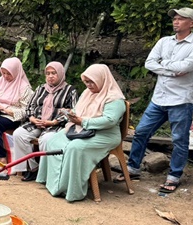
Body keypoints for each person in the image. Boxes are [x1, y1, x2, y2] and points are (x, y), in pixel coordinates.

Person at [120, 8, 193, 193]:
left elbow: (187, 66)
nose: (176, 22)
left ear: (191, 23)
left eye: (181, 19)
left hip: (181, 100)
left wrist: (163, 65)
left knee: (179, 140)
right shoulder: (164, 41)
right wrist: (172, 69)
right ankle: (133, 168)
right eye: (175, 19)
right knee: (141, 131)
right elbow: (149, 63)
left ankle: (174, 176)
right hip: (159, 98)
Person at [36, 64, 126, 202]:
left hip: (105, 134)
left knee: (75, 148)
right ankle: (55, 184)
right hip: (80, 130)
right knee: (53, 140)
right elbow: (79, 111)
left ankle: (71, 190)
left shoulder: (114, 99)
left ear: (102, 79)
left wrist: (83, 122)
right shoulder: (87, 93)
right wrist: (70, 114)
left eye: (91, 81)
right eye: (86, 82)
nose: (88, 85)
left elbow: (109, 121)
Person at [12, 62, 79, 181]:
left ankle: (45, 173)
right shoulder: (41, 88)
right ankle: (32, 168)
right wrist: (32, 118)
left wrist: (54, 122)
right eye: (48, 73)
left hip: (56, 125)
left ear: (61, 74)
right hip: (36, 122)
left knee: (47, 139)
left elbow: (72, 111)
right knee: (18, 134)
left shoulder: (70, 90)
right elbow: (29, 106)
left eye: (54, 73)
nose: (50, 76)